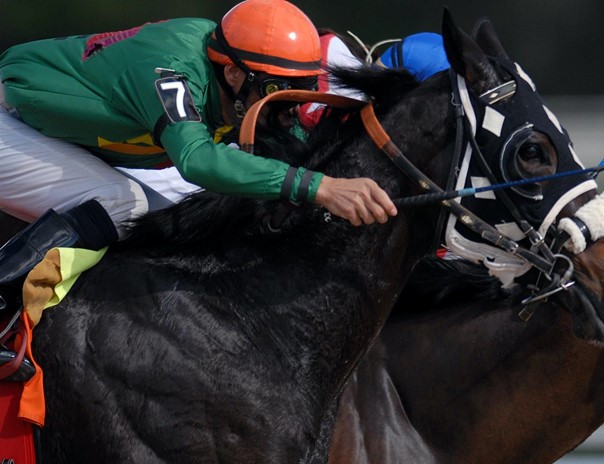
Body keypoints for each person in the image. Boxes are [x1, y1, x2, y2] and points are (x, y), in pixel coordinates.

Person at [0, 0, 397, 289]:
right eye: (278, 90)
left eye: (302, 92)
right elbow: (196, 160)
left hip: (43, 133)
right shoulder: (169, 72)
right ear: (233, 73)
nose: (288, 108)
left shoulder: (233, 72)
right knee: (123, 204)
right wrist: (321, 187)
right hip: (10, 122)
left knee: (177, 218)